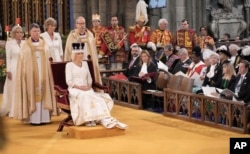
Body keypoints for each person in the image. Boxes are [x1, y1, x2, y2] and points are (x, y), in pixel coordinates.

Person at [65, 42, 127, 129]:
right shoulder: (69, 65)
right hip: (75, 89)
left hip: (87, 88)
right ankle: (87, 119)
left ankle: (94, 118)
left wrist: (89, 86)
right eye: (78, 53)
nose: (80, 55)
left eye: (82, 53)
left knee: (96, 97)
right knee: (84, 96)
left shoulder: (85, 64)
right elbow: (69, 81)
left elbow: (89, 78)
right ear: (74, 54)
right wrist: (80, 87)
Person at [13, 23, 58, 124]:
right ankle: (34, 119)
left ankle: (45, 118)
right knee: (32, 93)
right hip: (30, 76)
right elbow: (22, 62)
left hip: (44, 74)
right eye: (34, 31)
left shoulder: (44, 44)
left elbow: (49, 59)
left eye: (38, 31)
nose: (37, 33)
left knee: (44, 92)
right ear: (30, 32)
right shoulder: (26, 46)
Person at [64, 16, 102, 84]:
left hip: (89, 61)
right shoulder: (72, 35)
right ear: (76, 25)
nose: (82, 26)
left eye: (83, 23)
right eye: (80, 24)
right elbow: (68, 51)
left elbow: (93, 50)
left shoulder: (90, 35)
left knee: (91, 77)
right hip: (77, 63)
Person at [1, 25, 25, 117]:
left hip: (23, 67)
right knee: (13, 88)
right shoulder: (9, 43)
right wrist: (8, 70)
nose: (19, 34)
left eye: (20, 32)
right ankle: (12, 108)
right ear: (13, 34)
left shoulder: (25, 43)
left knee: (22, 87)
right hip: (14, 67)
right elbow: (8, 57)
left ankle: (21, 107)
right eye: (17, 32)